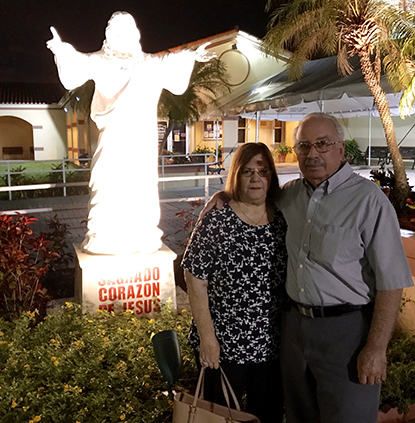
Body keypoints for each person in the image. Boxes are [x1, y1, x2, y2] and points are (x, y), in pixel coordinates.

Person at [203, 113, 413, 423]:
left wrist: (376, 347)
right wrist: (225, 195)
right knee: (299, 414)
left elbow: (391, 281)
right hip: (294, 329)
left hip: (346, 333)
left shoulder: (368, 201)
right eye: (303, 146)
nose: (312, 154)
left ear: (340, 149)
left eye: (323, 144)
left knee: (346, 416)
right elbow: (252, 197)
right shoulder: (289, 195)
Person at [47, 11, 214, 255]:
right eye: (117, 31)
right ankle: (103, 234)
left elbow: (173, 65)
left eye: (127, 30)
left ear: (136, 34)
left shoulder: (148, 63)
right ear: (108, 36)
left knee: (141, 184)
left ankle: (142, 233)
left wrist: (192, 56)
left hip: (140, 139)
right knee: (107, 182)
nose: (122, 36)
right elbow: (76, 69)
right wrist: (61, 50)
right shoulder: (99, 61)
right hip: (113, 138)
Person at [182, 142, 287, 423]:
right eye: (248, 171)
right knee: (218, 416)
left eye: (263, 171)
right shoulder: (217, 220)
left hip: (271, 347)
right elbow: (194, 278)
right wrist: (207, 339)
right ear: (236, 176)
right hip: (224, 346)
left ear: (272, 177)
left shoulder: (283, 219)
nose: (256, 178)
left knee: (268, 416)